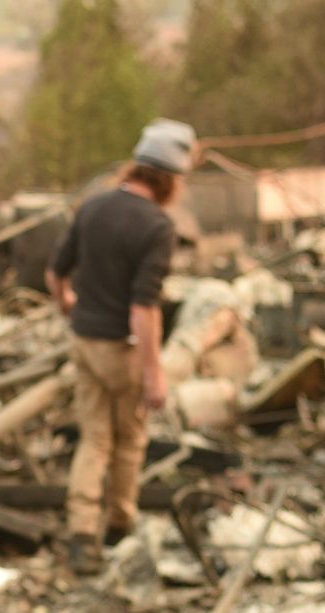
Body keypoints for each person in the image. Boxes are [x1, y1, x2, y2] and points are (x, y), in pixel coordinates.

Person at [46, 118, 196, 574]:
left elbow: (56, 274)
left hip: (85, 341)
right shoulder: (157, 227)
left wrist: (69, 307)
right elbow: (144, 311)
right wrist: (155, 375)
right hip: (121, 349)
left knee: (94, 439)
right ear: (170, 179)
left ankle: (81, 536)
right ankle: (118, 523)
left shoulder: (91, 208)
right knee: (129, 440)